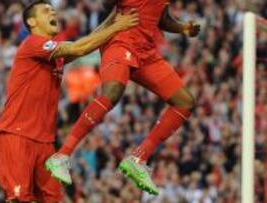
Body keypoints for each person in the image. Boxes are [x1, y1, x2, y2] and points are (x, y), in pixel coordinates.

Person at [45, 0, 201, 196]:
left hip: (146, 52)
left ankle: (138, 159)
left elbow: (162, 16)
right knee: (112, 93)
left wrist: (183, 28)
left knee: (185, 102)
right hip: (121, 41)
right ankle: (62, 155)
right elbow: (106, 3)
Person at [0, 0, 139, 202]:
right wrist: (118, 26)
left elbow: (86, 43)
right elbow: (79, 48)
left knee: (53, 198)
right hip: (17, 134)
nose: (53, 12)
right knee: (19, 199)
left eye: (53, 10)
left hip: (45, 141)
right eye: (46, 11)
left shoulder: (54, 55)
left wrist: (113, 17)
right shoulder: (32, 44)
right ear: (32, 22)